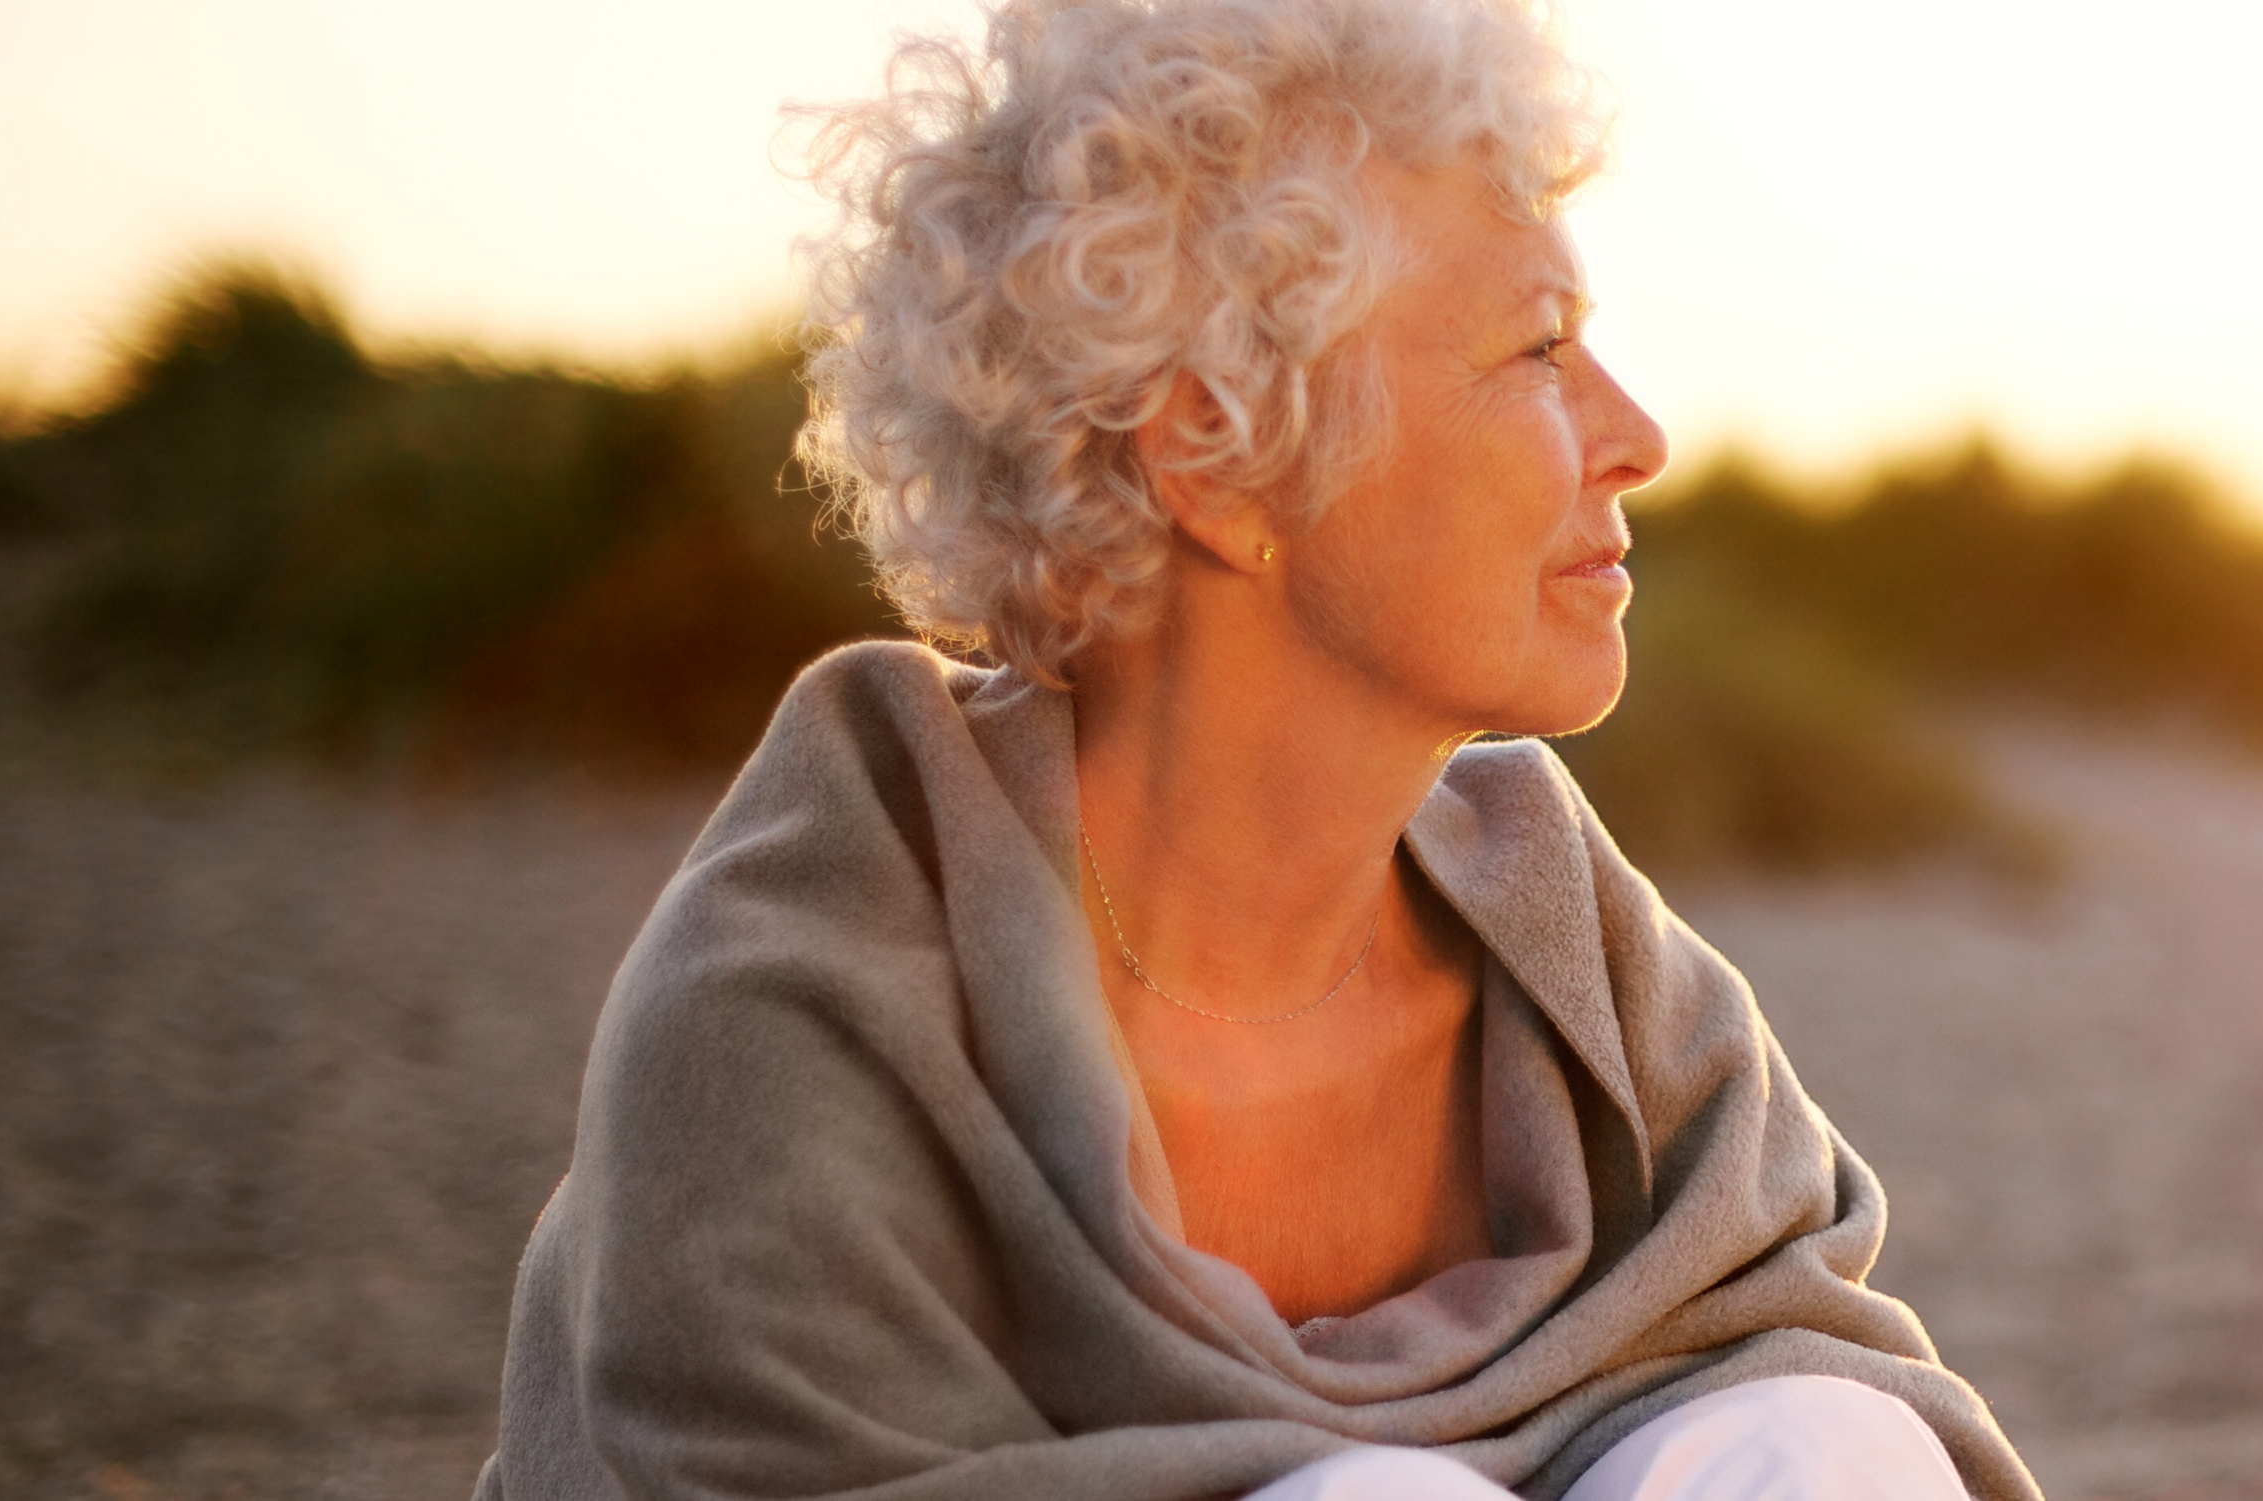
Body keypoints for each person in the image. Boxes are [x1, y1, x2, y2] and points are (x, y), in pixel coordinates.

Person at [470, 1, 2035, 1497]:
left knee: (1827, 1448)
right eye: (1538, 347)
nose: (1637, 434)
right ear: (1214, 448)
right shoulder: (805, 1005)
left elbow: (1821, 1370)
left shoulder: (1598, 982)